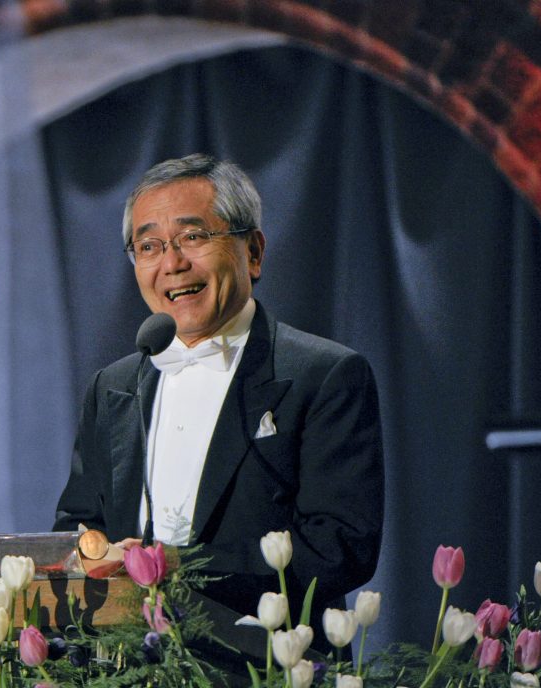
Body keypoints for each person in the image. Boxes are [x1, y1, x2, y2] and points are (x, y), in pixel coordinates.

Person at [54, 154, 384, 648]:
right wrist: (90, 555)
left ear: (253, 251)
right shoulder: (112, 388)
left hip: (268, 664)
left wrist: (174, 568)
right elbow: (78, 527)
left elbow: (340, 547)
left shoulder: (323, 376)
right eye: (149, 246)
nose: (172, 263)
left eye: (193, 237)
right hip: (126, 666)